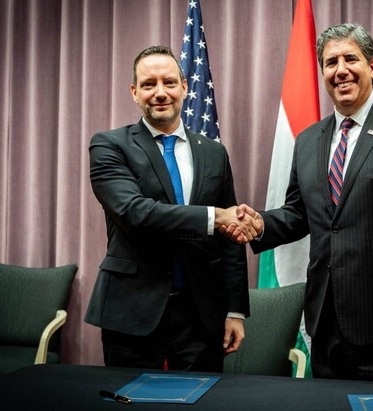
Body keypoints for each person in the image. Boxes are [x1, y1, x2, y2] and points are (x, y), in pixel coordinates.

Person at [229, 24, 373, 382]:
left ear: (372, 66)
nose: (341, 70)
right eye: (331, 62)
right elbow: (299, 213)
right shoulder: (308, 140)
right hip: (326, 323)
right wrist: (260, 224)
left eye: (351, 59)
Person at [85, 45, 260, 372]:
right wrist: (213, 216)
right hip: (132, 310)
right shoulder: (110, 145)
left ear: (184, 87)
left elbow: (231, 238)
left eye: (168, 82)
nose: (160, 92)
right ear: (134, 92)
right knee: (130, 395)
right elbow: (136, 213)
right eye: (148, 84)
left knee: (203, 395)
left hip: (201, 314)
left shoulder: (214, 153)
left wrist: (235, 310)